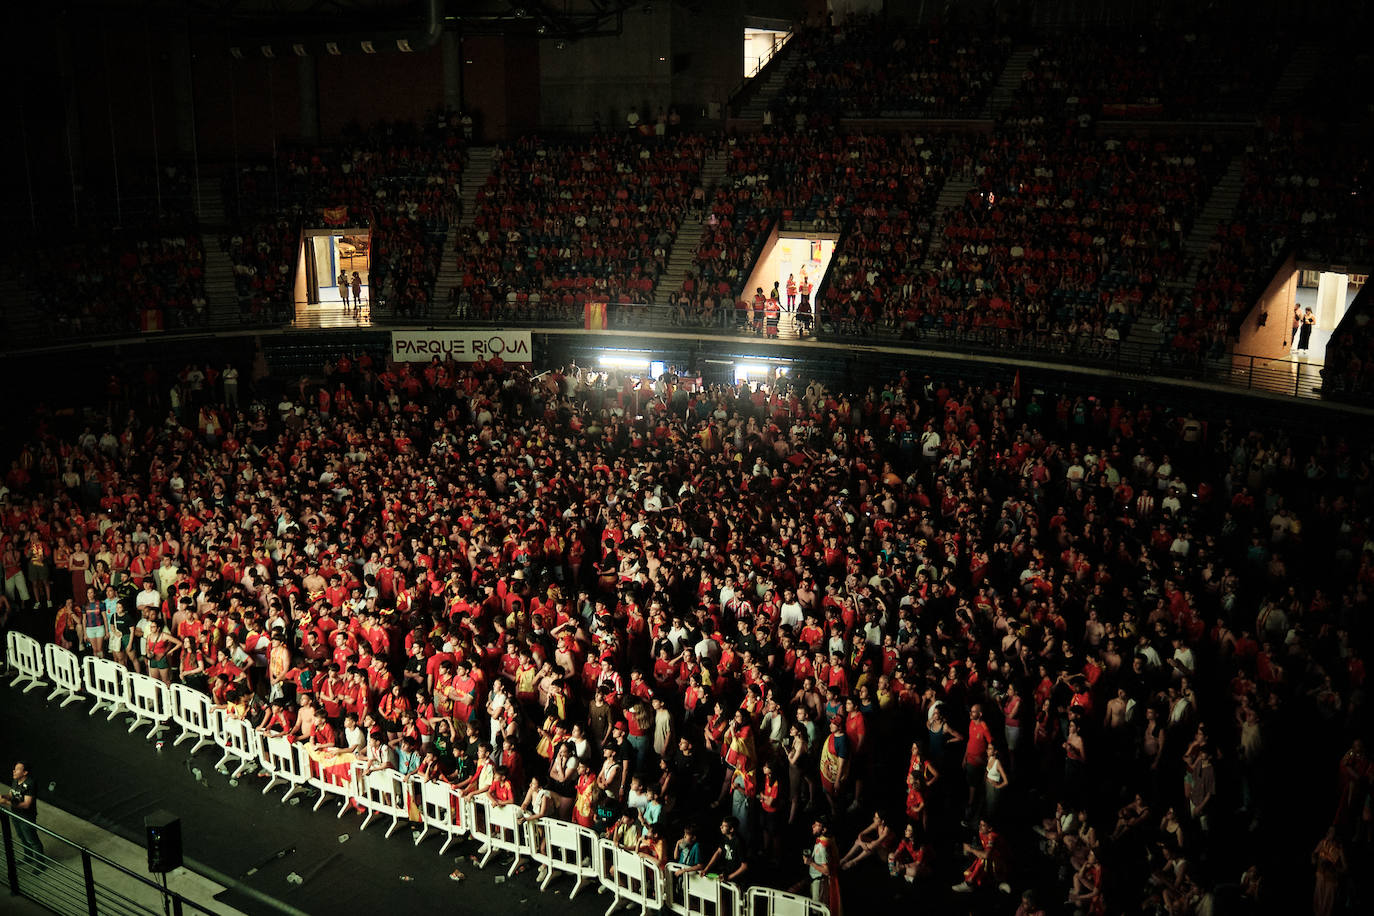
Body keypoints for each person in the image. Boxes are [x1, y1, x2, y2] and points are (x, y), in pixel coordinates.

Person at [1, 761, 43, 863]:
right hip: (15, 814)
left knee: (32, 840)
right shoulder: (16, 780)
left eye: (17, 769)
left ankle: (40, 864)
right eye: (14, 768)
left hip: (26, 816)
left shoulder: (30, 783)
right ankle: (28, 858)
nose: (14, 771)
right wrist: (4, 796)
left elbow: (26, 804)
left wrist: (6, 802)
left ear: (25, 773)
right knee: (22, 837)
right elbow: (12, 794)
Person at [804, 817, 841, 914]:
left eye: (817, 825)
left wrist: (810, 862)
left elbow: (826, 871)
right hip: (816, 881)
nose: (813, 826)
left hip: (820, 883)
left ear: (824, 830)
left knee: (818, 911)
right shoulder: (821, 841)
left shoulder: (823, 847)